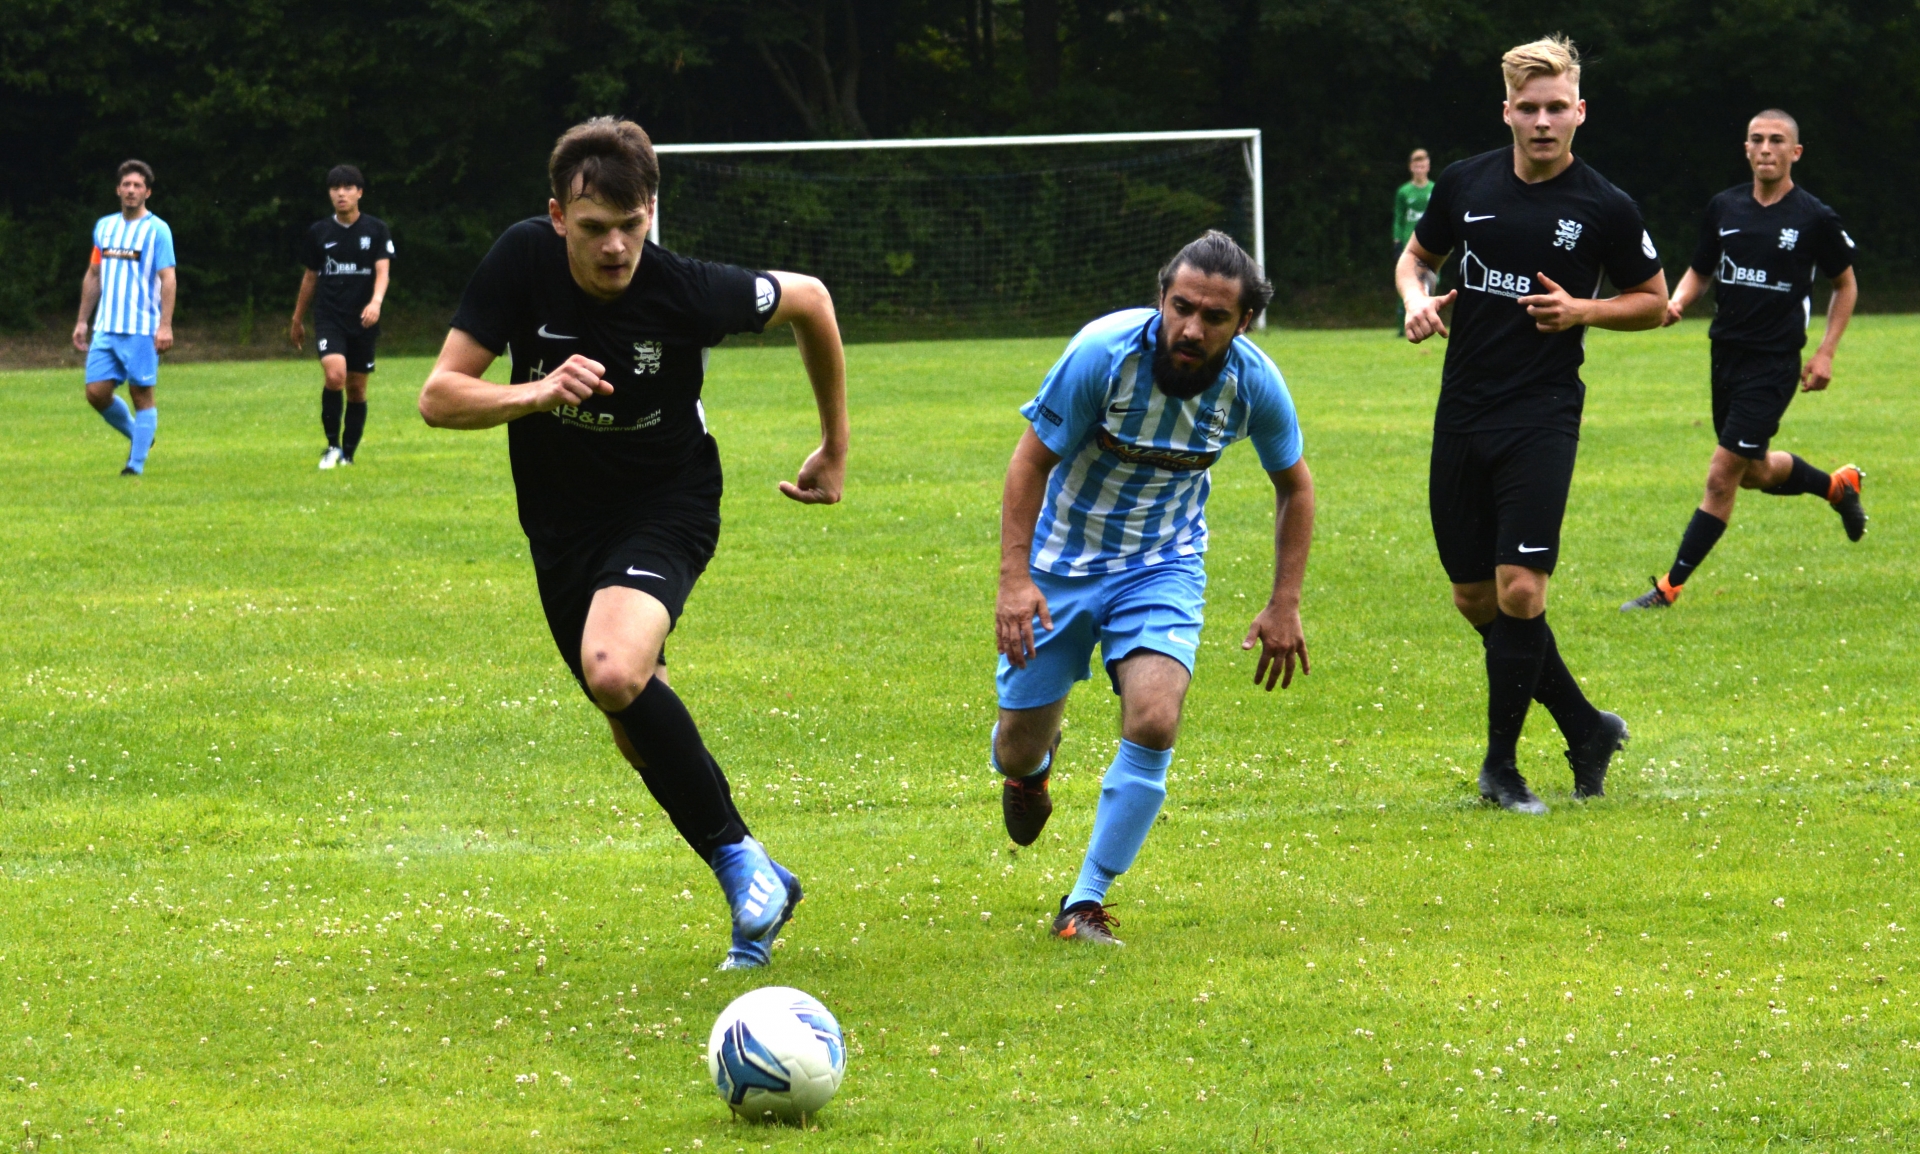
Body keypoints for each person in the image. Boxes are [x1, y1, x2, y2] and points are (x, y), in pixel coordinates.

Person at [419, 118, 847, 971]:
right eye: (594, 229)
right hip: (560, 527)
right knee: (633, 723)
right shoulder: (521, 260)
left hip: (668, 503)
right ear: (556, 217)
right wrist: (539, 392)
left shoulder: (685, 291)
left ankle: (741, 869)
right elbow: (439, 395)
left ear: (652, 212)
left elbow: (811, 300)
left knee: (613, 669)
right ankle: (763, 876)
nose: (616, 248)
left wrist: (834, 445)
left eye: (632, 225)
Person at [992, 231, 1314, 946]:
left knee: (1156, 718)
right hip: (1058, 567)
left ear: (1244, 322)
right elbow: (1029, 463)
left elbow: (1295, 485)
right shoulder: (1101, 354)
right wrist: (1014, 579)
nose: (1192, 329)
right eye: (1182, 308)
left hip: (1162, 565)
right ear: (1162, 298)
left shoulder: (1254, 384)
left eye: (1214, 317)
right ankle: (1030, 772)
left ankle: (1084, 902)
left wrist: (1284, 602)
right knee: (1016, 745)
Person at [1396, 36, 1667, 813]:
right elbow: (1416, 259)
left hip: (1542, 414)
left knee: (1519, 588)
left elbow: (1654, 302)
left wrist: (1583, 309)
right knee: (1474, 598)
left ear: (1579, 112)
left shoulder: (1606, 206)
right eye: (1529, 108)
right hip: (1462, 410)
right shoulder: (1464, 182)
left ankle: (1502, 769)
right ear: (1507, 112)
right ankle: (1586, 726)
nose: (1543, 121)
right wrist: (1415, 300)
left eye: (1556, 108)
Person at [1621, 110, 1863, 611]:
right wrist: (1678, 302)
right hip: (1725, 355)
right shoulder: (1724, 207)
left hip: (1774, 363)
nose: (1766, 148)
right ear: (1747, 149)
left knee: (1720, 475)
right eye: (1757, 139)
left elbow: (1845, 285)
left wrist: (1825, 351)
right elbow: (1700, 270)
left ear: (1795, 152)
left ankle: (1668, 588)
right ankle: (1837, 488)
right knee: (1751, 472)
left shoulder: (1814, 217)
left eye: (1777, 140)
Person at [72, 160, 175, 476]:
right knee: (96, 392)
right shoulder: (104, 227)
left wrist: (165, 325)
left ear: (147, 192)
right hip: (106, 327)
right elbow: (94, 274)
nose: (131, 190)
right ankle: (140, 435)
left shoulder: (157, 230)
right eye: (126, 185)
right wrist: (82, 321)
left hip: (141, 328)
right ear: (118, 189)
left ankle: (135, 465)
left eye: (137, 185)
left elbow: (168, 278)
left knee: (141, 394)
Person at [291, 165, 393, 469]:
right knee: (335, 375)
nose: (341, 194)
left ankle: (348, 454)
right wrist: (297, 319)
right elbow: (310, 277)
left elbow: (383, 272)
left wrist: (375, 303)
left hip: (363, 319)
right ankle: (332, 446)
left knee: (357, 388)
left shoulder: (376, 230)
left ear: (359, 193)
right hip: (330, 317)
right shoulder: (319, 232)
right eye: (335, 188)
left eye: (348, 188)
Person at [1395, 149, 1437, 296]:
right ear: (1411, 167)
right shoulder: (1404, 191)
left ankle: (1428, 309)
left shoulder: (1435, 189)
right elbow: (1398, 218)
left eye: (1422, 167)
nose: (1419, 170)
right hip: (1409, 241)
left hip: (1430, 241)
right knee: (1408, 282)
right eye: (1416, 167)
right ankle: (1403, 310)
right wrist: (1397, 240)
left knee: (1429, 282)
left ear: (1428, 167)